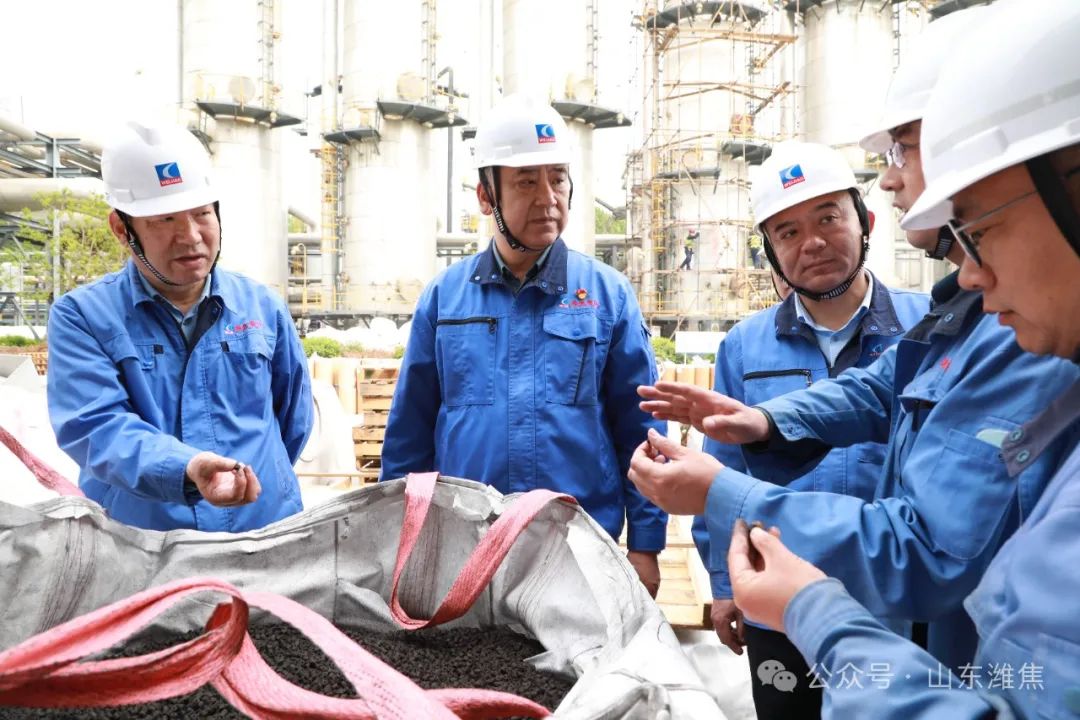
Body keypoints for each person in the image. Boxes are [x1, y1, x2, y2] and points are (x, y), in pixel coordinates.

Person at [633, 4, 1079, 694]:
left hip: (893, 617)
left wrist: (730, 503)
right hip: (817, 603)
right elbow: (882, 388)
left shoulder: (1019, 325)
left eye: (904, 148)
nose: (893, 177)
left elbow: (927, 549)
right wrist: (766, 424)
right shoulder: (956, 316)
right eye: (786, 232)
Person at [642, 141, 930, 718]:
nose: (812, 242)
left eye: (828, 218)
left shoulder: (924, 329)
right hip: (779, 596)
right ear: (771, 252)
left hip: (898, 593)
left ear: (866, 222)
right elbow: (724, 469)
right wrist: (724, 584)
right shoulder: (745, 346)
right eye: (788, 232)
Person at [380, 95, 667, 596]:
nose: (548, 198)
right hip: (465, 547)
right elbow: (410, 433)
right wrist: (401, 540)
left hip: (580, 547)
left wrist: (645, 545)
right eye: (526, 182)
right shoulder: (445, 299)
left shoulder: (607, 296)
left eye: (558, 179)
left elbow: (641, 431)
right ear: (485, 196)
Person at [47, 122, 313, 532]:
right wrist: (185, 470)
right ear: (122, 229)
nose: (190, 236)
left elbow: (292, 422)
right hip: (144, 544)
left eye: (202, 213)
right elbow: (96, 428)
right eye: (164, 219)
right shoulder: (83, 316)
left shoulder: (262, 307)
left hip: (263, 531)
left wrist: (260, 480)